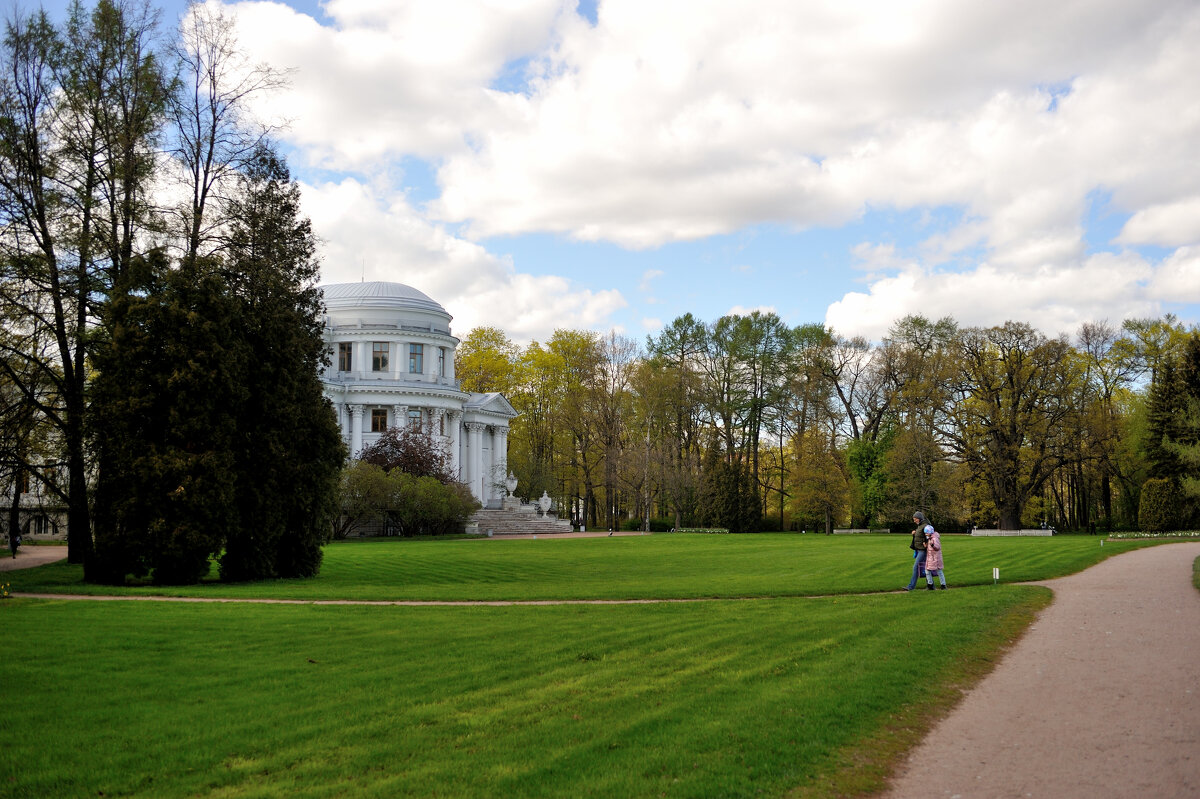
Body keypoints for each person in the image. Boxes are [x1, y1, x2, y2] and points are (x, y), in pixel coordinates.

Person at [904, 511, 930, 591]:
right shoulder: (920, 526)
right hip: (919, 550)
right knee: (926, 568)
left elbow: (929, 536)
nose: (914, 520)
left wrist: (926, 543)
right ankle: (931, 586)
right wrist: (915, 534)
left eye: (915, 519)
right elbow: (921, 536)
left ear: (919, 518)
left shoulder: (925, 526)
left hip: (923, 550)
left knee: (916, 567)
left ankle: (911, 586)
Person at [924, 521, 947, 590]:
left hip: (935, 558)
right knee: (927, 570)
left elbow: (937, 547)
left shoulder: (934, 539)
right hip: (931, 558)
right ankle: (930, 584)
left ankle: (943, 585)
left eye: (926, 532)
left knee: (939, 571)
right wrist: (926, 546)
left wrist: (932, 544)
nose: (926, 534)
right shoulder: (930, 538)